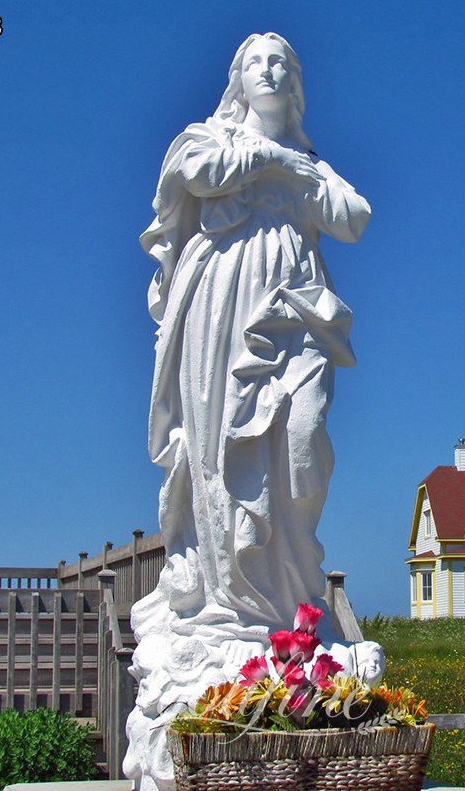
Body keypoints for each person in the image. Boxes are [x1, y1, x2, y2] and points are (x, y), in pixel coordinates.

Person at [133, 32, 370, 643]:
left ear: (295, 84)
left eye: (282, 64)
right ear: (237, 79)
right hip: (222, 295)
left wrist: (305, 171)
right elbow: (198, 172)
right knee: (220, 439)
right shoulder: (209, 136)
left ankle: (294, 584)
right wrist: (273, 163)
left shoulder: (309, 160)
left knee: (303, 437)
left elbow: (354, 219)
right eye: (255, 63)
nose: (269, 72)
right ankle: (233, 598)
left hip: (296, 300)